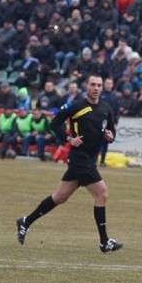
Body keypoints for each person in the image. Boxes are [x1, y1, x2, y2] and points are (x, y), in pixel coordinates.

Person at [15, 73, 123, 252]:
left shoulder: (106, 107)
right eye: (93, 85)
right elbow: (54, 124)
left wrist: (110, 137)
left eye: (99, 85)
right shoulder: (76, 105)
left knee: (60, 197)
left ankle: (26, 221)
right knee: (102, 194)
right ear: (86, 86)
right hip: (79, 158)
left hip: (90, 158)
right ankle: (104, 242)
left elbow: (111, 130)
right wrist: (69, 139)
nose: (96, 88)